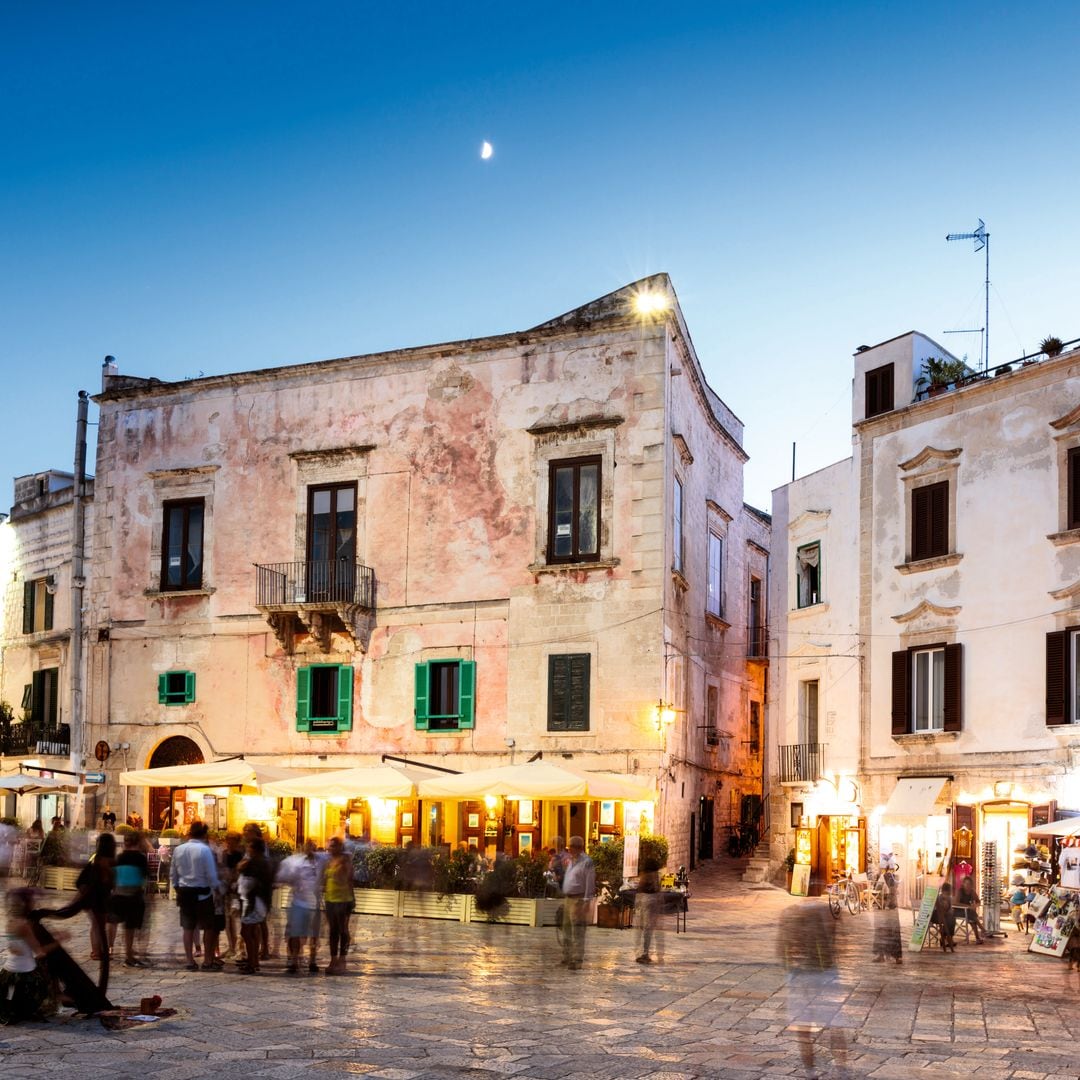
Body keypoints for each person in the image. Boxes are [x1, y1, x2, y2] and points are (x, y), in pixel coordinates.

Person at [36, 831, 116, 995]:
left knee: (97, 926)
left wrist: (78, 902)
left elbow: (82, 883)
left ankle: (97, 951)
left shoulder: (97, 863)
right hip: (98, 902)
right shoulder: (106, 865)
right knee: (98, 926)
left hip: (97, 902)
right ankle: (98, 951)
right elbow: (94, 885)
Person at [777, 899, 848, 1076]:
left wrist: (790, 968)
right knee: (834, 1026)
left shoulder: (788, 913)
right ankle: (842, 1070)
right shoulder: (829, 910)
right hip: (826, 975)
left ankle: (810, 1073)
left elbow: (780, 949)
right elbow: (841, 942)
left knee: (804, 1029)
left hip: (799, 977)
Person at [169, 820, 221, 971]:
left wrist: (177, 887)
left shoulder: (179, 850)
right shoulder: (204, 850)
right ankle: (207, 961)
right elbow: (211, 875)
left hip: (185, 893)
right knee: (208, 927)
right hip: (202, 894)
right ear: (204, 834)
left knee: (188, 928)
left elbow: (173, 873)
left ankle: (190, 961)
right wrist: (217, 888)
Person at [0, 888, 57, 1024]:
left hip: (7, 972)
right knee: (46, 977)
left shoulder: (10, 923)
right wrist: (59, 941)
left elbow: (14, 947)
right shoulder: (25, 926)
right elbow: (40, 952)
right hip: (25, 975)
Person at [276, 839, 324, 974]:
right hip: (299, 902)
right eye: (308, 847)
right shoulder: (295, 862)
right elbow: (284, 876)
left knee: (313, 934)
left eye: (313, 847)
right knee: (295, 933)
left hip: (314, 903)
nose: (310, 850)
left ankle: (312, 960)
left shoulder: (320, 861)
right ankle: (294, 960)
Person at [111, 830, 149, 967]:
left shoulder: (119, 857)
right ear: (137, 842)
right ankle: (129, 955)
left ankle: (111, 949)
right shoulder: (141, 858)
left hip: (118, 894)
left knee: (115, 922)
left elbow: (113, 876)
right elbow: (144, 877)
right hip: (134, 895)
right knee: (130, 927)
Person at [236, 836, 273, 974]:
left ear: (254, 849)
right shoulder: (265, 862)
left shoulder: (254, 863)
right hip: (261, 901)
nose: (247, 850)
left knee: (246, 932)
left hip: (252, 902)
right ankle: (254, 961)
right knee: (253, 931)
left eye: (249, 847)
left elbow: (244, 877)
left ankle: (252, 963)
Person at [560, 836, 595, 971]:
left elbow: (589, 882)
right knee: (567, 929)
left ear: (578, 847)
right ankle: (567, 956)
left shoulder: (587, 862)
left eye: (570, 847)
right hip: (568, 899)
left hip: (578, 900)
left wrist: (586, 901)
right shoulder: (571, 861)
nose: (568, 849)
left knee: (578, 930)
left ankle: (577, 959)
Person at [323, 836, 354, 975]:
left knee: (343, 930)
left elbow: (349, 879)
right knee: (333, 931)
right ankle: (333, 959)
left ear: (339, 847)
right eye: (330, 845)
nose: (330, 848)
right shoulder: (329, 861)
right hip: (330, 899)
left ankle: (342, 959)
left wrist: (352, 900)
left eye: (333, 846)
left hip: (343, 900)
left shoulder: (345, 861)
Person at [634, 857, 661, 964]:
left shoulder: (646, 875)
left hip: (645, 900)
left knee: (644, 928)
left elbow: (640, 889)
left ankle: (644, 953)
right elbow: (658, 889)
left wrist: (637, 901)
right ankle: (647, 952)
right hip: (654, 900)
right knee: (649, 928)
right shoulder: (656, 875)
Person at [871, 873, 903, 963]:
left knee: (890, 931)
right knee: (884, 931)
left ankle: (895, 956)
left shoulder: (890, 877)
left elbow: (884, 891)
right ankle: (883, 955)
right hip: (887, 906)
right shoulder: (889, 876)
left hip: (889, 907)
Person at [955, 874, 984, 943]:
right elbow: (955, 903)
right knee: (972, 915)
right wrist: (968, 906)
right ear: (963, 884)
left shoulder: (972, 891)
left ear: (971, 885)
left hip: (968, 912)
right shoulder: (960, 891)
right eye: (966, 883)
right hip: (958, 911)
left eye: (969, 884)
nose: (968, 885)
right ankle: (981, 929)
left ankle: (978, 938)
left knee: (972, 919)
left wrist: (975, 905)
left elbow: (978, 902)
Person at [932, 881, 957, 952]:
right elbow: (937, 909)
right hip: (936, 915)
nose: (948, 895)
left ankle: (947, 938)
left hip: (945, 916)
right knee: (949, 919)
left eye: (949, 893)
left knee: (952, 918)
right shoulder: (939, 898)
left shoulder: (949, 898)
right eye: (947, 893)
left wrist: (949, 911)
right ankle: (946, 938)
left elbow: (950, 909)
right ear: (943, 892)